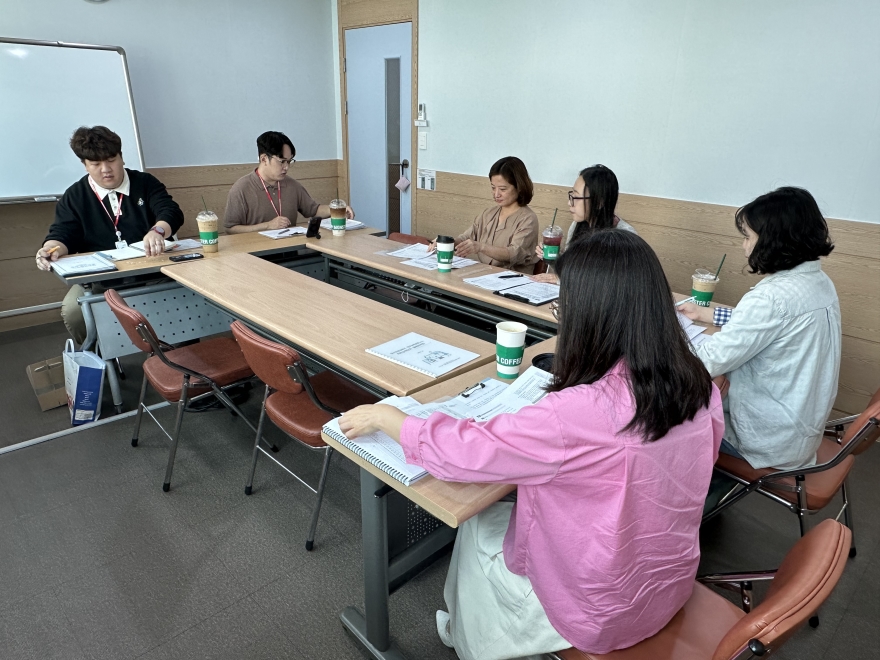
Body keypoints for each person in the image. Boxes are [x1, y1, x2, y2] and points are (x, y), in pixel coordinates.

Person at [340, 230, 724, 659]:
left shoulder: (579, 411)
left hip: (596, 608)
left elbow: (463, 452)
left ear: (590, 315)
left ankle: (468, 635)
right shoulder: (699, 384)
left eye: (564, 304)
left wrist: (389, 418)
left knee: (478, 520)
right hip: (667, 584)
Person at [680, 186, 840, 470]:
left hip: (765, 440)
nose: (744, 246)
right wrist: (710, 313)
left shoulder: (771, 297)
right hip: (800, 430)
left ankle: (695, 487)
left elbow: (706, 361)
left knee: (674, 415)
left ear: (773, 241)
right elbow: (772, 326)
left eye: (747, 237)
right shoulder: (819, 282)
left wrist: (664, 340)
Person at [36, 126, 184, 344]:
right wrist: (50, 248)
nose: (106, 169)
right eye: (95, 164)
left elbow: (170, 212)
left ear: (121, 157)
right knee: (73, 311)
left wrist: (158, 231)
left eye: (111, 160)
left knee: (182, 296)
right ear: (84, 165)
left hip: (152, 272)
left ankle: (175, 353)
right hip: (101, 280)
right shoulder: (75, 196)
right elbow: (63, 233)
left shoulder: (145, 183)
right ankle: (101, 354)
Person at [224, 131, 355, 233]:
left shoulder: (292, 185)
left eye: (289, 161)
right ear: (264, 159)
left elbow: (313, 210)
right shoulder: (242, 188)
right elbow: (230, 229)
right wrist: (267, 226)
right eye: (282, 161)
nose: (286, 167)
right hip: (256, 254)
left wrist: (336, 209)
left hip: (290, 251)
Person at [428, 156, 539, 274]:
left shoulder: (528, 219)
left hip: (512, 279)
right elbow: (466, 238)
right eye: (493, 188)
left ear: (519, 187)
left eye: (502, 189)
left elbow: (514, 253)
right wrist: (446, 242)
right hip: (484, 275)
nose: (496, 194)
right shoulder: (488, 213)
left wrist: (481, 247)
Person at [531, 164, 635, 284]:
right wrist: (555, 257)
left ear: (599, 202)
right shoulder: (577, 225)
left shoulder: (625, 235)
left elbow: (611, 283)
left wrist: (563, 279)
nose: (569, 203)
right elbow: (572, 269)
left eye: (576, 197)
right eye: (572, 195)